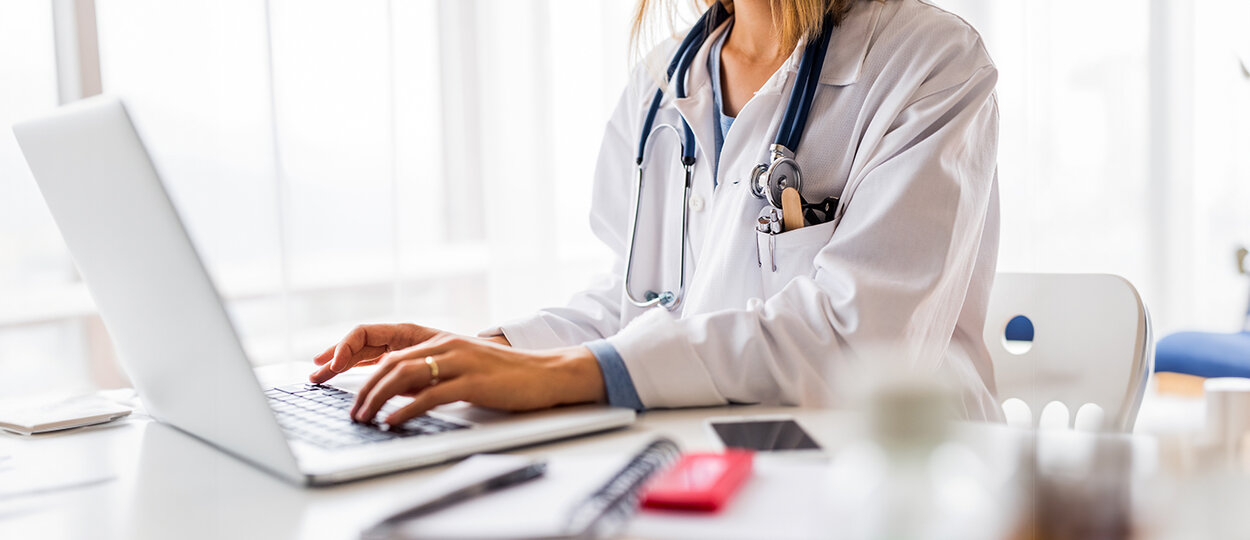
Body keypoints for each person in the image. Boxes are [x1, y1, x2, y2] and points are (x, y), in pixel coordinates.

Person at [310, 0, 1003, 426]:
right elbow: (636, 304)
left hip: (898, 478)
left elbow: (863, 346)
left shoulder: (930, 62)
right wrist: (491, 351)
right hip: (710, 458)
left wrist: (570, 375)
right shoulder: (661, 83)